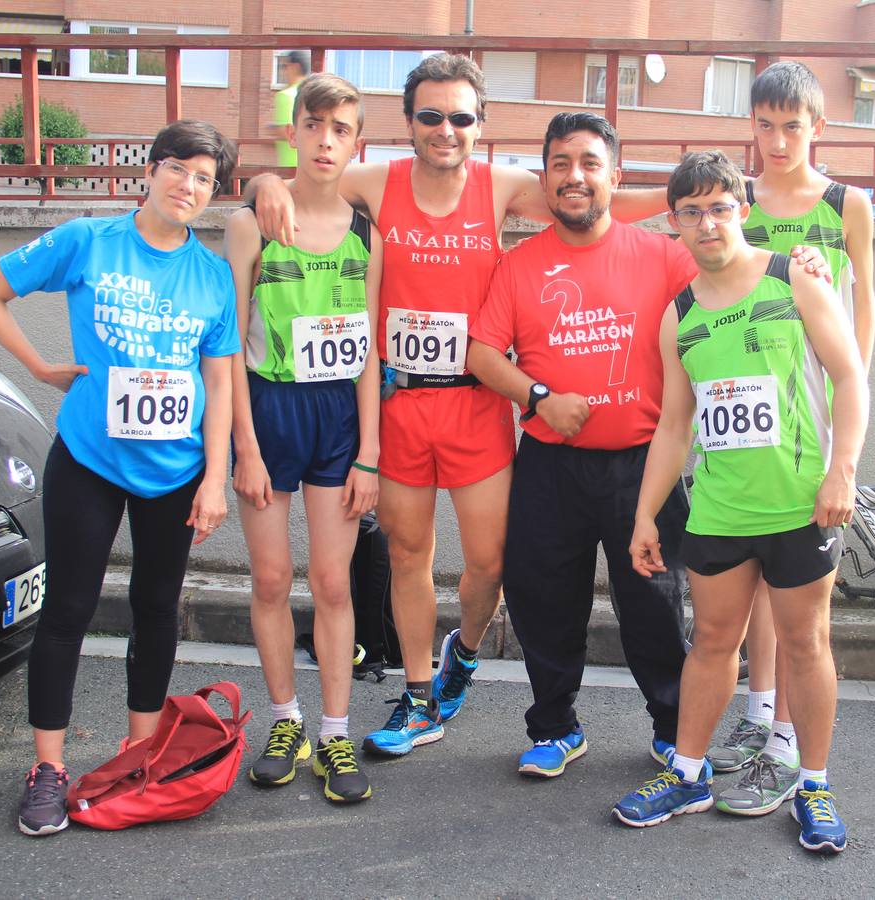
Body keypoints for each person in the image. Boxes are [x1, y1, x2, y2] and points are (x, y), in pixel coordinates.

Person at [245, 54, 676, 756]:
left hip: (477, 402)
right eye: (431, 116)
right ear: (409, 123)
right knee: (410, 554)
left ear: (481, 125)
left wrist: (685, 196)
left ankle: (463, 652)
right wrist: (263, 179)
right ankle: (419, 698)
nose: (446, 130)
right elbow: (302, 178)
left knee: (490, 563)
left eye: (461, 118)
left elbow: (595, 200)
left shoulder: (501, 185)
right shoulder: (375, 182)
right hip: (399, 405)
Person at [0, 120, 241, 836]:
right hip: (89, 459)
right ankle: (48, 769)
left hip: (175, 470)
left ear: (213, 193)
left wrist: (217, 477)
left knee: (156, 608)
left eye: (205, 178)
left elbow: (220, 380)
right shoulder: (89, 241)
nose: (188, 185)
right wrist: (37, 365)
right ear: (149, 170)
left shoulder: (211, 275)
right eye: (178, 169)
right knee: (69, 609)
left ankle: (138, 753)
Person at [612, 150, 867, 855]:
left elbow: (850, 379)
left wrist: (841, 469)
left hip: (800, 506)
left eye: (720, 206)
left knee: (805, 643)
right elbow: (672, 425)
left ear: (743, 211)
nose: (707, 222)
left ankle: (811, 783)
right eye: (690, 211)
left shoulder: (795, 280)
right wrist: (644, 514)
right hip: (719, 512)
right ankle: (688, 773)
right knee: (713, 644)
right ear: (674, 224)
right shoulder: (680, 315)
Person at [465, 111, 696, 777]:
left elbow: (725, 282)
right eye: (562, 163)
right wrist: (537, 397)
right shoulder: (519, 265)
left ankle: (674, 726)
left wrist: (796, 272)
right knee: (545, 600)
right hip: (549, 465)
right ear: (545, 178)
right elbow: (482, 354)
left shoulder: (662, 255)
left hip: (643, 466)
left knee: (654, 603)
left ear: (614, 178)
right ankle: (555, 726)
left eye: (590, 163)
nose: (576, 176)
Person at [706, 60, 875, 816]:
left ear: (818, 127)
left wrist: (851, 411)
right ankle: (762, 717)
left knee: (802, 600)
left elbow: (863, 307)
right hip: (757, 409)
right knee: (759, 586)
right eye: (766, 125)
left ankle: (788, 744)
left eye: (793, 126)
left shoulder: (847, 204)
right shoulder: (736, 201)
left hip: (818, 411)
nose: (778, 141)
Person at [225, 74, 380, 803]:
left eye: (340, 129)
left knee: (331, 582)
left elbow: (372, 353)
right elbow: (226, 344)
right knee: (268, 580)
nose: (325, 140)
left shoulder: (365, 228)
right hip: (267, 409)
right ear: (293, 131)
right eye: (313, 125)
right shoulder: (252, 222)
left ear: (356, 141)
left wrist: (370, 455)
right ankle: (284, 718)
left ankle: (335, 732)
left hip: (337, 421)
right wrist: (245, 447)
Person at [271, 51, 311, 168]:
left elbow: (286, 131)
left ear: (295, 67)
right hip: (310, 165)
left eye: (285, 66)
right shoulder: (312, 93)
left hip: (290, 166)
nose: (283, 71)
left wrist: (273, 129)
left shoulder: (285, 96)